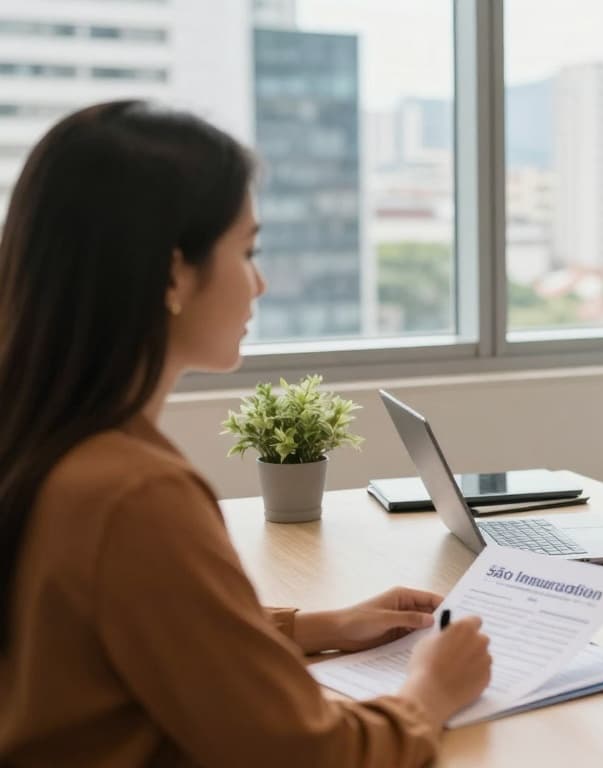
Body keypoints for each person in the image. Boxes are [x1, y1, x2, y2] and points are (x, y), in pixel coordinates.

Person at [0, 101, 491, 766]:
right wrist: (428, 694)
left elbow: (131, 635)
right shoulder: (133, 495)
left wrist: (322, 627)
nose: (259, 283)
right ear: (174, 274)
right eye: (248, 250)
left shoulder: (44, 443)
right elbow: (302, 754)